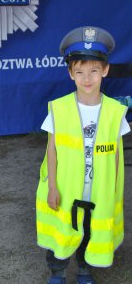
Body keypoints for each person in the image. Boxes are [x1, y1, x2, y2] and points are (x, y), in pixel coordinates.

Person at [36, 26, 131, 284]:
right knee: (63, 231)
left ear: (105, 70)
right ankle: (56, 273)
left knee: (88, 234)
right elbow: (51, 151)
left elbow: (116, 158)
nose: (86, 79)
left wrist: (112, 192)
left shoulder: (114, 112)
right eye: (79, 71)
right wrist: (52, 186)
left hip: (97, 192)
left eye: (93, 71)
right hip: (67, 189)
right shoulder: (59, 109)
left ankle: (84, 272)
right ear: (70, 73)